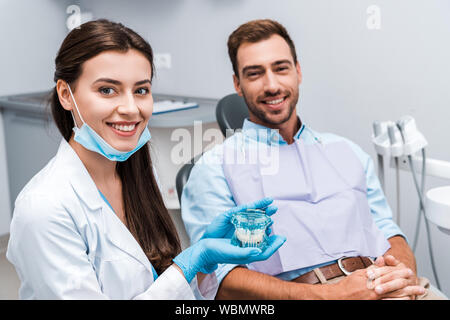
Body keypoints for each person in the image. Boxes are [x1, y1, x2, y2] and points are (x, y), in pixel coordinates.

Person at [6, 19, 286, 300]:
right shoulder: (43, 208)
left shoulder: (133, 172)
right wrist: (190, 262)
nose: (130, 108)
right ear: (66, 95)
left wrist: (202, 262)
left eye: (141, 90)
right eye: (107, 90)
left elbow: (159, 285)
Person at [181, 19, 447, 300]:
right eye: (255, 73)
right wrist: (331, 296)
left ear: (298, 71)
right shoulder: (214, 168)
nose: (272, 85)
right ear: (238, 84)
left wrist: (400, 273)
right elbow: (221, 280)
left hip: (382, 285)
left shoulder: (348, 151)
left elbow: (388, 231)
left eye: (281, 68)